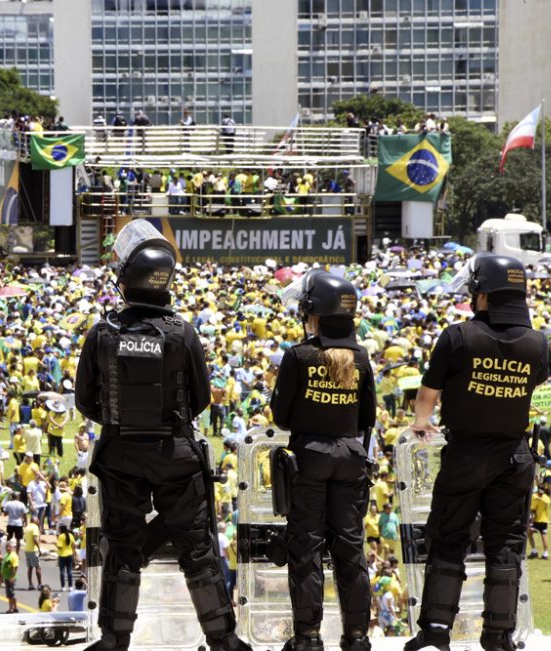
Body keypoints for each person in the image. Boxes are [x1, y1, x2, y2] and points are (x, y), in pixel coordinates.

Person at [75, 220, 251, 651]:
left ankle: (115, 639)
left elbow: (84, 401)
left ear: (126, 280)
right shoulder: (181, 331)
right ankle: (223, 640)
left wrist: (119, 424)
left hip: (120, 455)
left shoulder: (102, 332)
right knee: (197, 548)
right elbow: (202, 397)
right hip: (174, 453)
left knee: (122, 548)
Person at [406, 255, 549, 651]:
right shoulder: (538, 342)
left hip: (467, 451)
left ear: (482, 295)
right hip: (514, 454)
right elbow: (534, 385)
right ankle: (499, 635)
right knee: (504, 543)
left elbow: (428, 392)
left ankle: (436, 630)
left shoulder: (457, 336)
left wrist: (421, 421)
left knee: (449, 537)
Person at [269, 269, 377, 651]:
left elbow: (280, 416)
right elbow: (368, 417)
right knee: (350, 549)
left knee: (307, 549)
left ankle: (309, 637)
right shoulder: (361, 357)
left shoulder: (299, 355)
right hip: (350, 457)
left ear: (315, 314)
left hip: (310, 458)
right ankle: (357, 635)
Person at [2, 539, 20, 614]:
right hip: (6, 577)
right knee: (10, 593)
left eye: (9, 547)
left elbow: (15, 567)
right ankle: (15, 607)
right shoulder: (6, 555)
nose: (8, 548)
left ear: (12, 547)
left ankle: (11, 608)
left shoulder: (14, 556)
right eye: (7, 547)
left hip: (10, 577)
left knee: (10, 594)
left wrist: (12, 577)